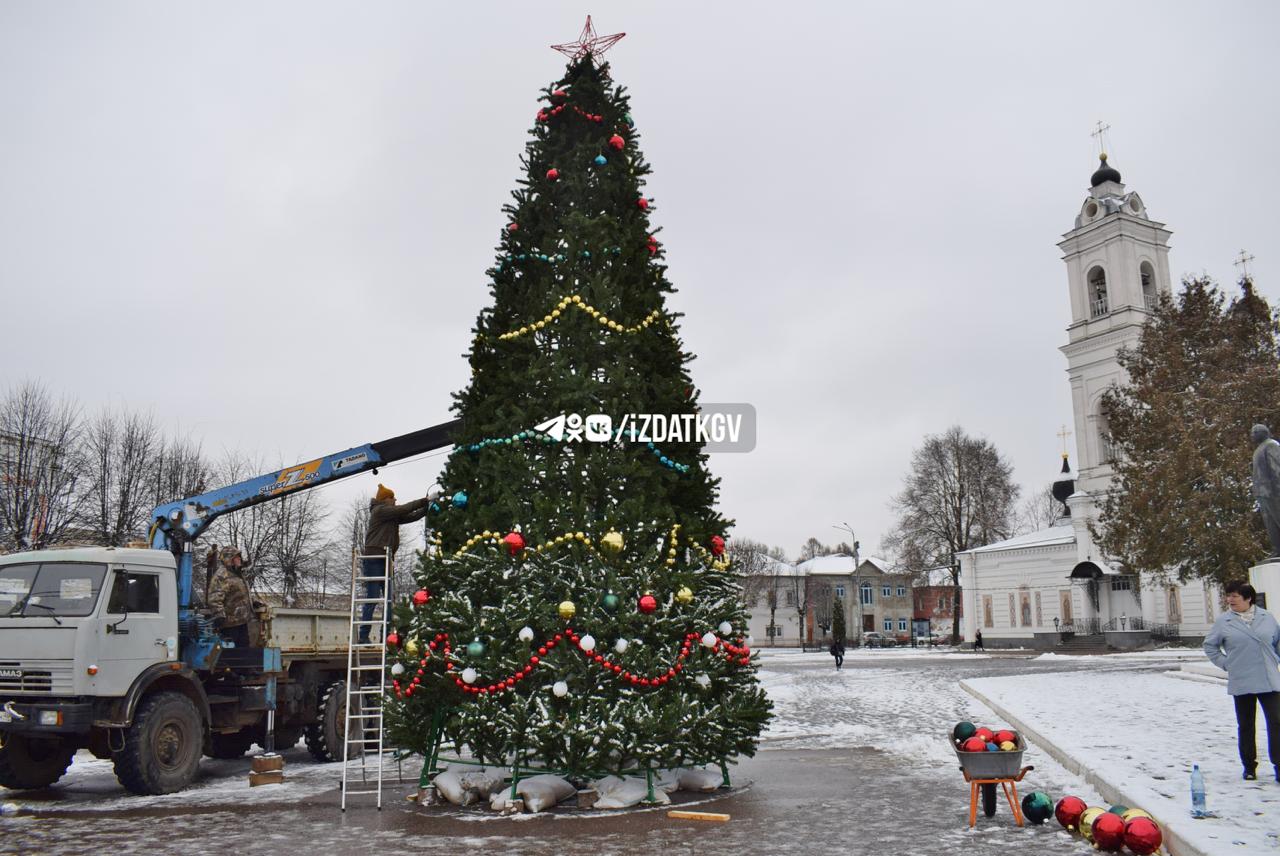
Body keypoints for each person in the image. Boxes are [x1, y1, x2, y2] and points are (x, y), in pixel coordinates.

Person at [1203, 580, 1280, 781]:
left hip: (1268, 678)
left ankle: (1279, 765)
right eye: (1228, 596)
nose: (1230, 600)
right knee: (1246, 724)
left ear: (1248, 598)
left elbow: (1277, 641)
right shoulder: (1224, 621)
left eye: (1235, 596)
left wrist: (1276, 660)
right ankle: (1249, 766)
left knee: (1277, 722)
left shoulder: (1267, 617)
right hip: (1242, 678)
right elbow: (1210, 646)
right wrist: (1227, 663)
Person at [358, 483, 440, 644]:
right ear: (385, 500)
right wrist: (425, 500)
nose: (395, 500)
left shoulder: (390, 515)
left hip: (387, 558)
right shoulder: (380, 511)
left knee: (388, 600)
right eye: (392, 497)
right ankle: (363, 636)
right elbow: (404, 509)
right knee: (373, 597)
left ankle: (385, 636)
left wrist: (427, 508)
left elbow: (410, 516)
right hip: (375, 558)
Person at [208, 546, 254, 647]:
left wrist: (253, 602)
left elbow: (241, 594)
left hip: (241, 621)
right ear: (229, 559)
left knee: (244, 651)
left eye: (239, 557)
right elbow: (214, 599)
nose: (239, 559)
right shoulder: (222, 575)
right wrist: (219, 615)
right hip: (230, 624)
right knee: (231, 654)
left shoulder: (237, 574)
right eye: (236, 557)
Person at [1252, 425, 1280, 557]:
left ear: (1264, 432)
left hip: (1273, 491)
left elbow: (1276, 468)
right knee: (1270, 523)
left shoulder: (1271, 445)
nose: (1252, 435)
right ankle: (1277, 548)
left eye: (1255, 432)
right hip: (1262, 493)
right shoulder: (1259, 449)